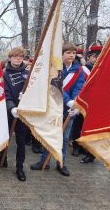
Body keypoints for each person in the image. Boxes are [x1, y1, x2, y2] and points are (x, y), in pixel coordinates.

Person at [30, 43, 86, 177]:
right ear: (62, 54)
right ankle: (45, 160)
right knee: (50, 135)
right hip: (54, 107)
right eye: (68, 52)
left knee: (65, 138)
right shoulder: (55, 68)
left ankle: (61, 163)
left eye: (73, 52)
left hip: (69, 110)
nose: (71, 55)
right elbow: (57, 87)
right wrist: (68, 100)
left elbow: (79, 88)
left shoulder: (79, 71)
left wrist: (76, 104)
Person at [0, 47, 29, 182]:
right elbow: (4, 93)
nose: (18, 58)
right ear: (10, 58)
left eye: (21, 56)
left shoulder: (28, 74)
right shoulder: (3, 74)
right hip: (8, 111)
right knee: (3, 138)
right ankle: (2, 160)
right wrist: (11, 107)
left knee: (21, 142)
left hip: (22, 113)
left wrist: (28, 96)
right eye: (15, 56)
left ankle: (19, 167)